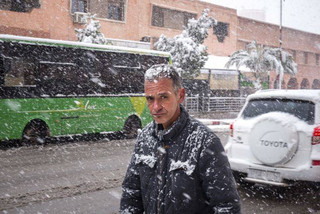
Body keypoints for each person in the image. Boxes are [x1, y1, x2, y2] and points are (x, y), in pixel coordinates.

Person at [120, 64, 241, 214]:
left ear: (180, 95)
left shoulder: (205, 142)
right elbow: (131, 195)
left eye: (163, 97)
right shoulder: (145, 138)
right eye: (150, 99)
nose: (155, 107)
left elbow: (226, 206)